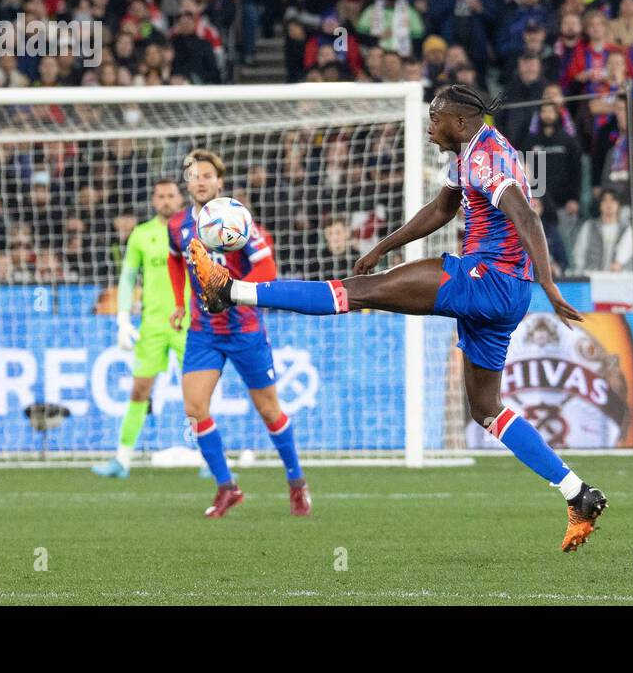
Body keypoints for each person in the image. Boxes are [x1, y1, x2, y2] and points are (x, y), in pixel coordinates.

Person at [188, 86, 607, 552]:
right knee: (486, 409)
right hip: (504, 293)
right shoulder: (469, 152)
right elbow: (442, 209)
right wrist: (385, 247)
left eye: (436, 116)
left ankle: (230, 291)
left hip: (488, 279)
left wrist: (549, 283)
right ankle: (578, 493)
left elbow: (527, 218)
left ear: (461, 121)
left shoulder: (488, 157)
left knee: (356, 294)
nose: (429, 124)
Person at [167, 149, 311, 518]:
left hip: (245, 329)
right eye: (193, 175)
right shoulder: (178, 226)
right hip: (203, 331)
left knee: (268, 410)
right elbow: (174, 257)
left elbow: (268, 272)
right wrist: (179, 301)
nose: (200, 180)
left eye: (207, 175)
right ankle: (227, 487)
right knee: (195, 409)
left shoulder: (238, 221)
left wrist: (233, 292)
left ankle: (297, 483)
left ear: (219, 182)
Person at [93, 179, 189, 479]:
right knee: (139, 390)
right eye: (160, 196)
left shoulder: (193, 230)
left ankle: (210, 460)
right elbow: (127, 278)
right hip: (153, 325)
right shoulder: (141, 234)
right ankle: (122, 460)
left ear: (179, 198)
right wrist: (122, 318)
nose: (165, 201)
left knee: (198, 393)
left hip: (190, 323)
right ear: (153, 199)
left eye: (170, 195)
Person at [571, 188, 633, 272]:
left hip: (619, 278)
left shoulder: (627, 229)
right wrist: (581, 273)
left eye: (613, 200)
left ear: (618, 205)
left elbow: (627, 254)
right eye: (604, 201)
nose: (609, 204)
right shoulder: (589, 226)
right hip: (593, 276)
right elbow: (579, 252)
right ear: (600, 205)